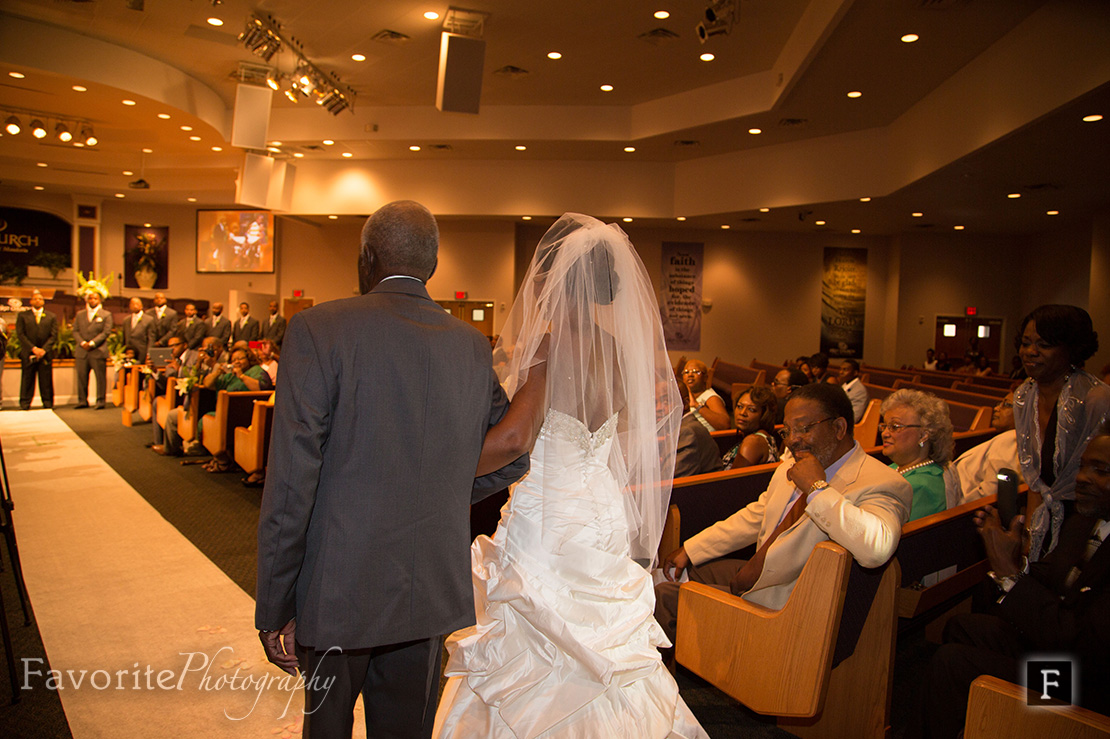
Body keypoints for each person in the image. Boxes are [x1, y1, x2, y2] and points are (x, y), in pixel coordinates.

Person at [255, 201, 529, 739]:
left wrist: (276, 602)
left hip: (337, 590)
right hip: (425, 588)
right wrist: (445, 488)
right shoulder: (470, 346)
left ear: (367, 258)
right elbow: (513, 453)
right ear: (431, 266)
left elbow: (291, 483)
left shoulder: (317, 331)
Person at [434, 214, 706, 737]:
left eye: (541, 278)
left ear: (555, 281)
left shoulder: (549, 348)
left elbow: (515, 439)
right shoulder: (619, 351)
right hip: (602, 511)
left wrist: (437, 470)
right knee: (598, 643)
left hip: (552, 517)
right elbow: (619, 434)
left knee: (539, 639)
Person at [655, 382, 912, 643]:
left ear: (838, 428)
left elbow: (877, 549)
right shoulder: (789, 467)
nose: (792, 440)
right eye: (787, 430)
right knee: (682, 570)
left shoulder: (881, 481)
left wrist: (816, 489)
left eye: (804, 428)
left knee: (664, 598)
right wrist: (692, 548)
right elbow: (757, 516)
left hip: (789, 608)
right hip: (765, 572)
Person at [914, 421, 1110, 738]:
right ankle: (979, 723)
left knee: (953, 663)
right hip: (1064, 655)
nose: (1082, 478)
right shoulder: (1086, 521)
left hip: (1084, 685)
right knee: (963, 626)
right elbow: (1049, 577)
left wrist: (1011, 575)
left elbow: (1080, 645)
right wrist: (1016, 560)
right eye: (1083, 466)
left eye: (1101, 470)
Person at [1013, 304, 1110, 559]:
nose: (1030, 352)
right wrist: (1030, 535)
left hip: (1089, 522)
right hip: (1045, 516)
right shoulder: (1025, 394)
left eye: (1044, 345)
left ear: (1071, 349)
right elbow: (1038, 483)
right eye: (1026, 343)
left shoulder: (1094, 397)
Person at [879, 389, 953, 521]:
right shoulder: (896, 466)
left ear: (923, 435)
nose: (885, 433)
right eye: (884, 426)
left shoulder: (922, 487)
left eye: (894, 426)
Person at [946, 392, 1021, 506]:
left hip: (957, 505)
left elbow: (991, 491)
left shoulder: (1011, 439)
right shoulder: (1007, 437)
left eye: (1006, 405)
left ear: (1023, 413)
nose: (996, 408)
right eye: (999, 403)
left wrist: (958, 508)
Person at [16, 290, 57, 410]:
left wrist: (43, 350)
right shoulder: (23, 316)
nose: (37, 300)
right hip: (29, 353)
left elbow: (53, 335)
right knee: (27, 379)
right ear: (31, 301)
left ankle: (48, 403)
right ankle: (25, 403)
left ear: (43, 301)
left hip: (45, 354)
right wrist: (33, 349)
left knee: (46, 380)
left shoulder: (51, 316)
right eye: (35, 298)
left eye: (40, 298)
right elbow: (20, 334)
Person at [722, 386, 779, 469]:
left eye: (751, 410)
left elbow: (733, 480)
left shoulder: (753, 442)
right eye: (740, 406)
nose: (742, 413)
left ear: (764, 415)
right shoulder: (764, 436)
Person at [74, 289, 113, 409]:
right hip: (82, 351)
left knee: (100, 378)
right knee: (81, 377)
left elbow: (106, 332)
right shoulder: (80, 314)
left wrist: (92, 343)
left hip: (98, 350)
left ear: (99, 300)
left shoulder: (106, 315)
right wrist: (82, 343)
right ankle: (82, 401)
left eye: (95, 298)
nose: (92, 300)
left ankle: (100, 401)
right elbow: (75, 331)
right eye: (90, 298)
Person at [682, 358, 730, 431]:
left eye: (696, 372)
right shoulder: (685, 396)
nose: (690, 375)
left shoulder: (711, 397)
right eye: (686, 372)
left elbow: (724, 425)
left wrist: (697, 405)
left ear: (705, 378)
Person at [121, 297, 154, 363]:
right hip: (128, 354)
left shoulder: (149, 320)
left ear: (141, 306)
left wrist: (149, 353)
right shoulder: (126, 320)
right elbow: (124, 338)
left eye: (137, 304)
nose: (135, 306)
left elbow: (151, 338)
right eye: (132, 304)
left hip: (142, 353)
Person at [839, 358, 869, 422]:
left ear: (855, 372)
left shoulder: (859, 391)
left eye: (845, 370)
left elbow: (854, 418)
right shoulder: (845, 385)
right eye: (841, 369)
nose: (841, 372)